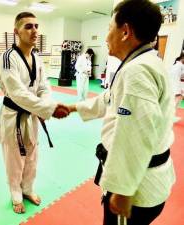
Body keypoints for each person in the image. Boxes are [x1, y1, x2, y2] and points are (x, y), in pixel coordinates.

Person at [68, 0, 175, 224]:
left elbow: (139, 132)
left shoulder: (137, 72)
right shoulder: (142, 62)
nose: (106, 37)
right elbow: (110, 99)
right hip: (144, 182)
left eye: (109, 28)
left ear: (125, 31)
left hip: (136, 191)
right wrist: (74, 107)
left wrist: (124, 189)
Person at [0, 12, 69, 214]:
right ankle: (16, 194)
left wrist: (45, 104)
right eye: (28, 26)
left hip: (32, 116)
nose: (34, 30)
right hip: (14, 116)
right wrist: (47, 108)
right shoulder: (7, 58)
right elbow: (17, 92)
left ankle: (27, 189)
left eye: (36, 26)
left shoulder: (37, 57)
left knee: (32, 157)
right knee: (14, 160)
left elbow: (45, 87)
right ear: (16, 31)